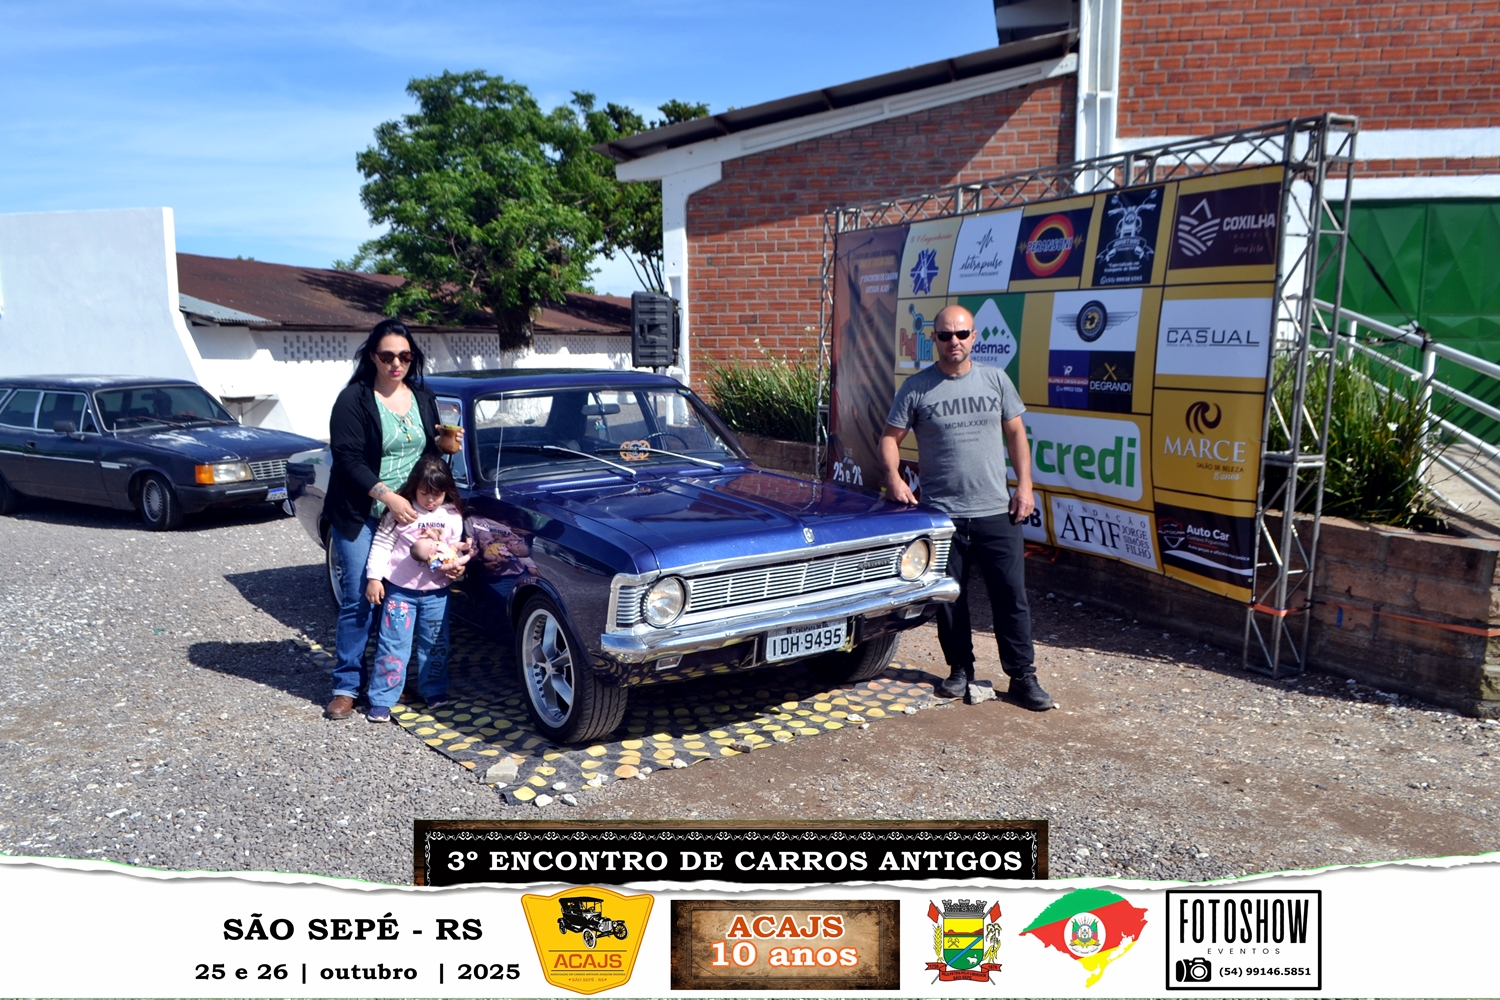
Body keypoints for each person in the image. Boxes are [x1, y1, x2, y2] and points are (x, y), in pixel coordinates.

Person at [879, 304, 1054, 711]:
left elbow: (1017, 435)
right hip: (943, 514)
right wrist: (894, 479)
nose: (953, 341)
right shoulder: (917, 388)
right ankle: (960, 669)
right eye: (945, 335)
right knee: (950, 599)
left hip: (996, 510)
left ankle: (1023, 677)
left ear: (974, 337)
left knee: (1010, 597)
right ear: (934, 339)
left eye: (961, 334)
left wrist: (1025, 487)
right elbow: (889, 438)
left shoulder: (996, 380)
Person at [323, 319, 463, 721]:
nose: (396, 363)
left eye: (405, 356)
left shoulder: (422, 395)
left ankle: (398, 681)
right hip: (363, 512)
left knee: (406, 595)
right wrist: (388, 496)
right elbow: (347, 459)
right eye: (387, 356)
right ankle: (347, 686)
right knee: (360, 596)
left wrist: (445, 445)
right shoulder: (353, 399)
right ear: (373, 357)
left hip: (411, 515)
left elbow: (427, 452)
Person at [361, 456, 471, 722]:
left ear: (447, 491)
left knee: (435, 644)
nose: (430, 500)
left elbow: (452, 550)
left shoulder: (452, 515)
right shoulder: (401, 511)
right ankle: (382, 698)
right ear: (414, 488)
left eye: (437, 494)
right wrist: (374, 578)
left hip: (437, 593)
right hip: (400, 592)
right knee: (393, 645)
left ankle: (433, 690)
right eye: (424, 493)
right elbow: (381, 545)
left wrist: (458, 568)